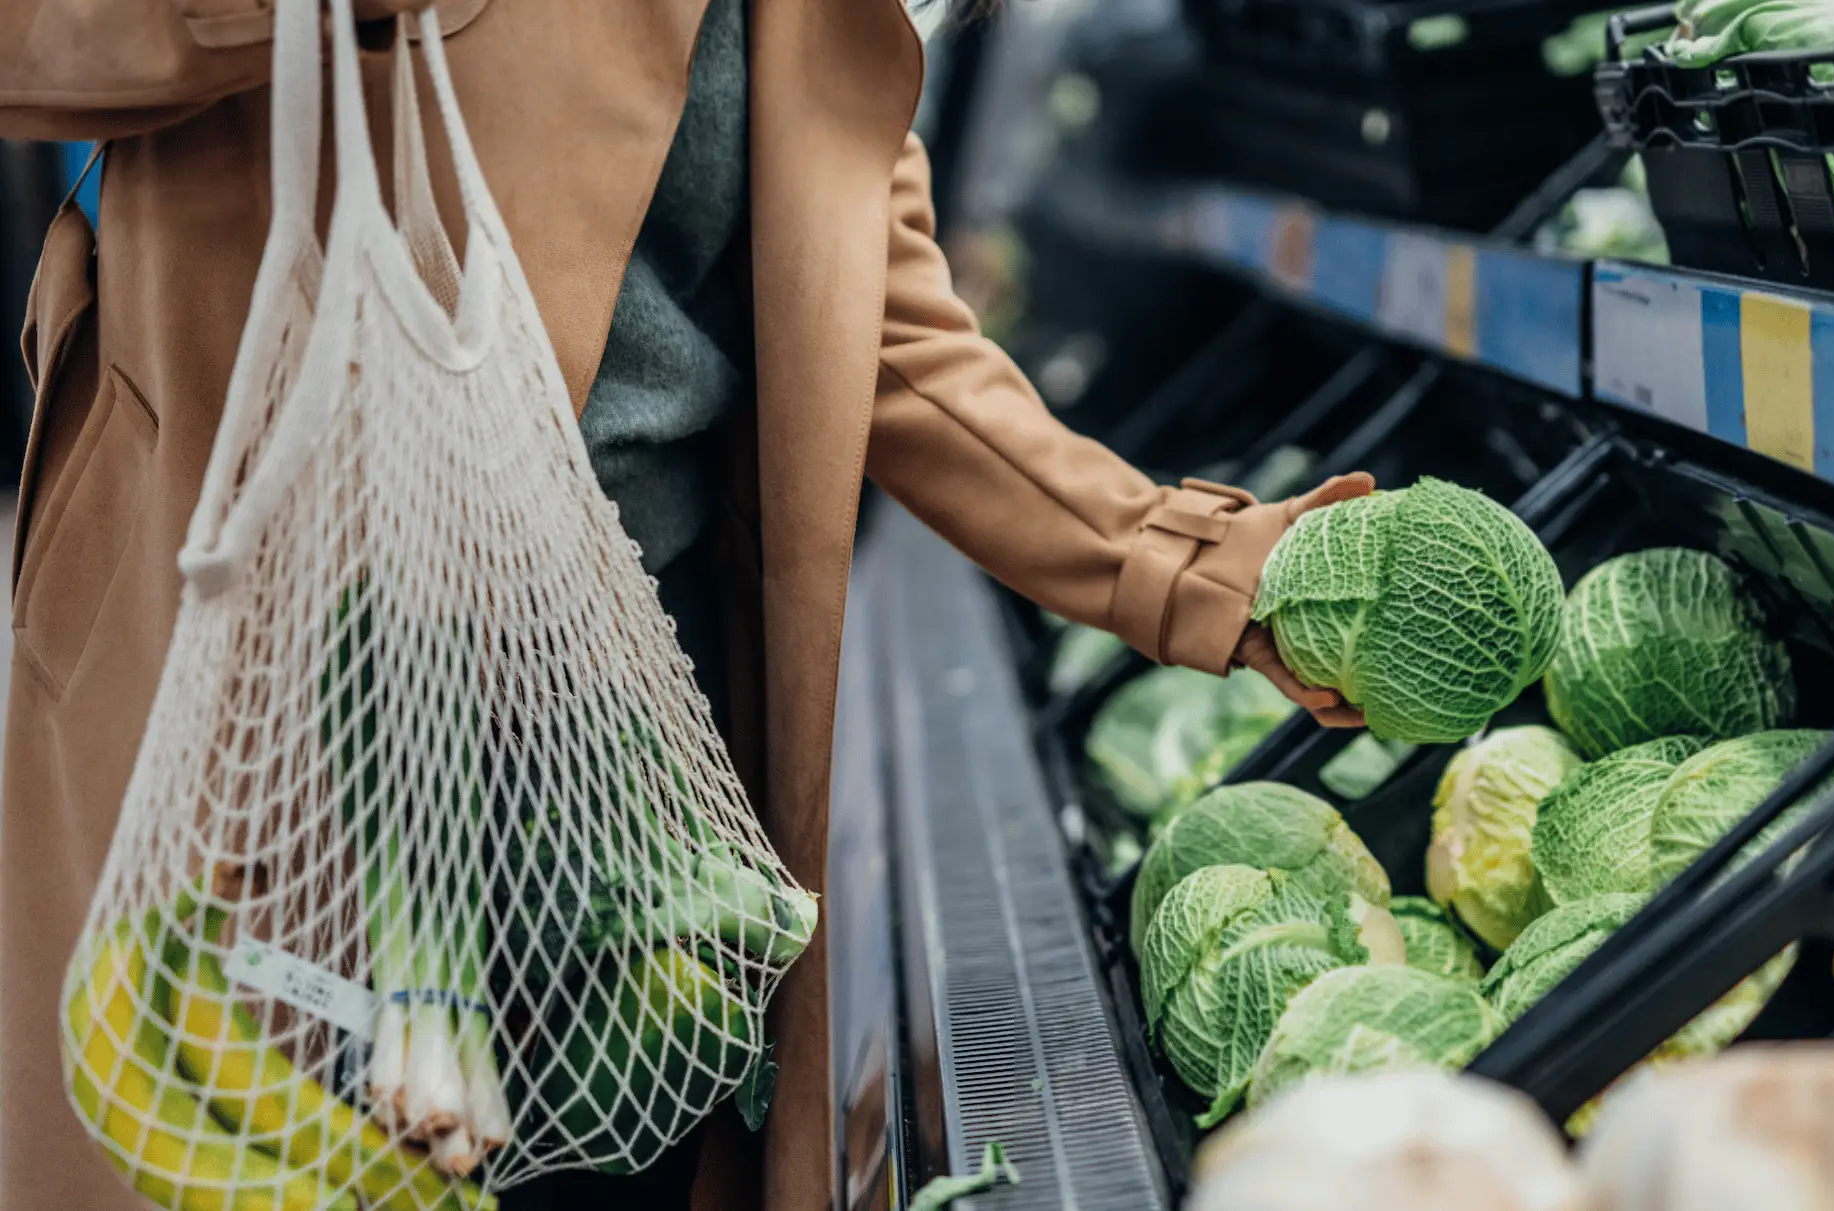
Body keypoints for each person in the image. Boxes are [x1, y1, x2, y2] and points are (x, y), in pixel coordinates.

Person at [0, 2, 1371, 1209]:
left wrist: (1198, 567)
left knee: (593, 1163)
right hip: (278, 671)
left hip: (627, 718)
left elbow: (889, 332)